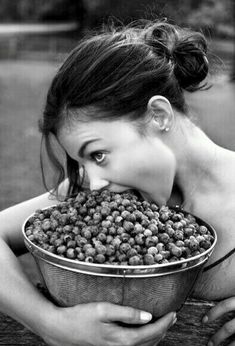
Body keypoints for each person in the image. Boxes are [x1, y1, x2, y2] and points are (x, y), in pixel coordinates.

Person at [0, 19, 234, 346]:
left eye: (97, 154)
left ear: (158, 117)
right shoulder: (98, 196)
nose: (91, 184)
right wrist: (48, 323)